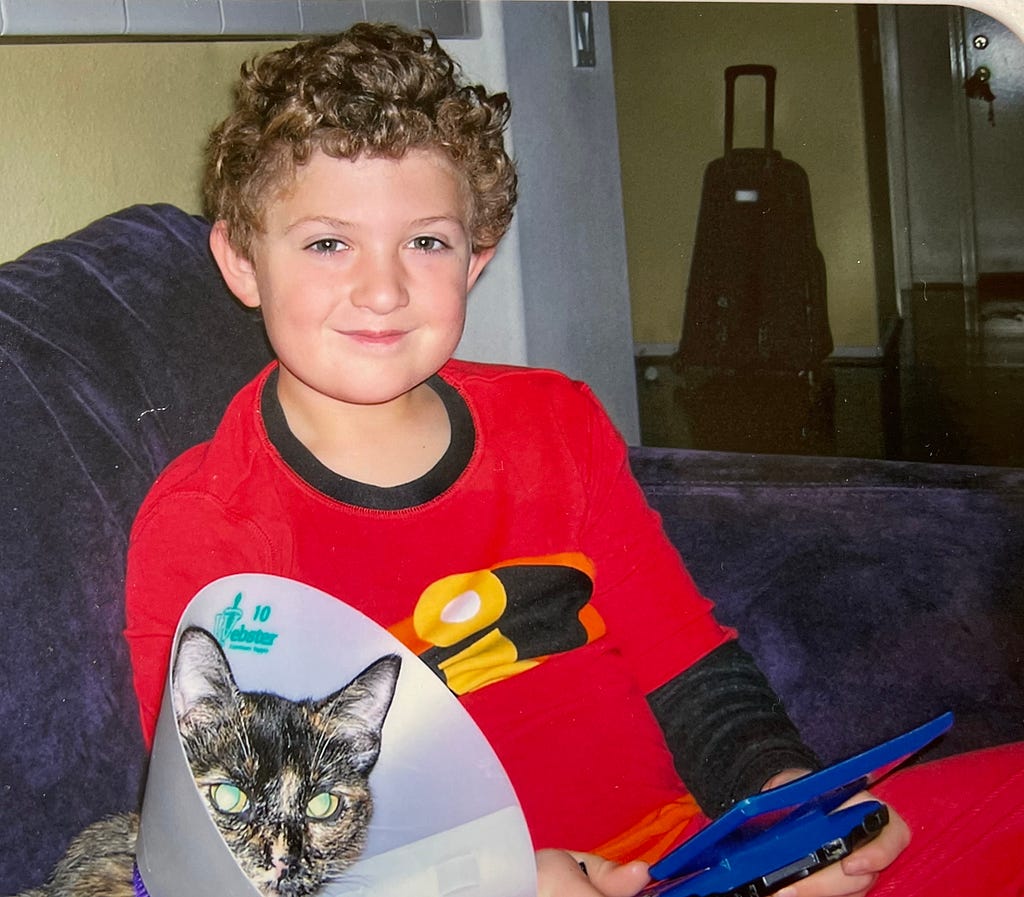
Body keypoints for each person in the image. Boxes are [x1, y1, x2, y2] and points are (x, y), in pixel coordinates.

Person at [124, 22, 1024, 897]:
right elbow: (225, 842)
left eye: (427, 241)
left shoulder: (554, 421)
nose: (384, 287)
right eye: (328, 243)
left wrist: (783, 801)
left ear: (476, 258)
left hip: (692, 858)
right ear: (243, 262)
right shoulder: (210, 523)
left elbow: (687, 659)